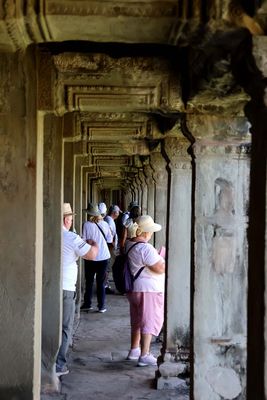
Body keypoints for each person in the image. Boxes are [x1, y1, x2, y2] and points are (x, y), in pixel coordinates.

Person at [56, 203, 98, 377]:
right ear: (66, 220)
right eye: (71, 219)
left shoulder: (47, 234)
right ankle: (58, 366)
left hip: (48, 287)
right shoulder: (71, 238)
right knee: (65, 327)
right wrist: (93, 243)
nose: (72, 221)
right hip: (65, 289)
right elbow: (92, 254)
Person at [125, 215, 165, 367]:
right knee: (148, 320)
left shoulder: (130, 244)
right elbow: (160, 268)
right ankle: (145, 354)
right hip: (149, 290)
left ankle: (134, 349)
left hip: (134, 288)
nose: (151, 234)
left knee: (137, 320)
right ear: (146, 232)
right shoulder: (145, 248)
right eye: (150, 231)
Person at [81, 203, 113, 313]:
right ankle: (101, 306)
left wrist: (91, 241)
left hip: (90, 256)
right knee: (101, 282)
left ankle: (87, 304)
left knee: (89, 281)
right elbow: (109, 239)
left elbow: (83, 240)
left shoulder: (86, 225)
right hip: (104, 256)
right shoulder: (105, 224)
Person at [104, 205, 121, 293]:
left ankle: (105, 285)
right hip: (109, 246)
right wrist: (113, 244)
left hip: (110, 246)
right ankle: (105, 286)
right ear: (114, 212)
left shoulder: (109, 219)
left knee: (108, 266)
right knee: (107, 266)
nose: (118, 214)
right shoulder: (109, 220)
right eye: (118, 212)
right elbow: (109, 234)